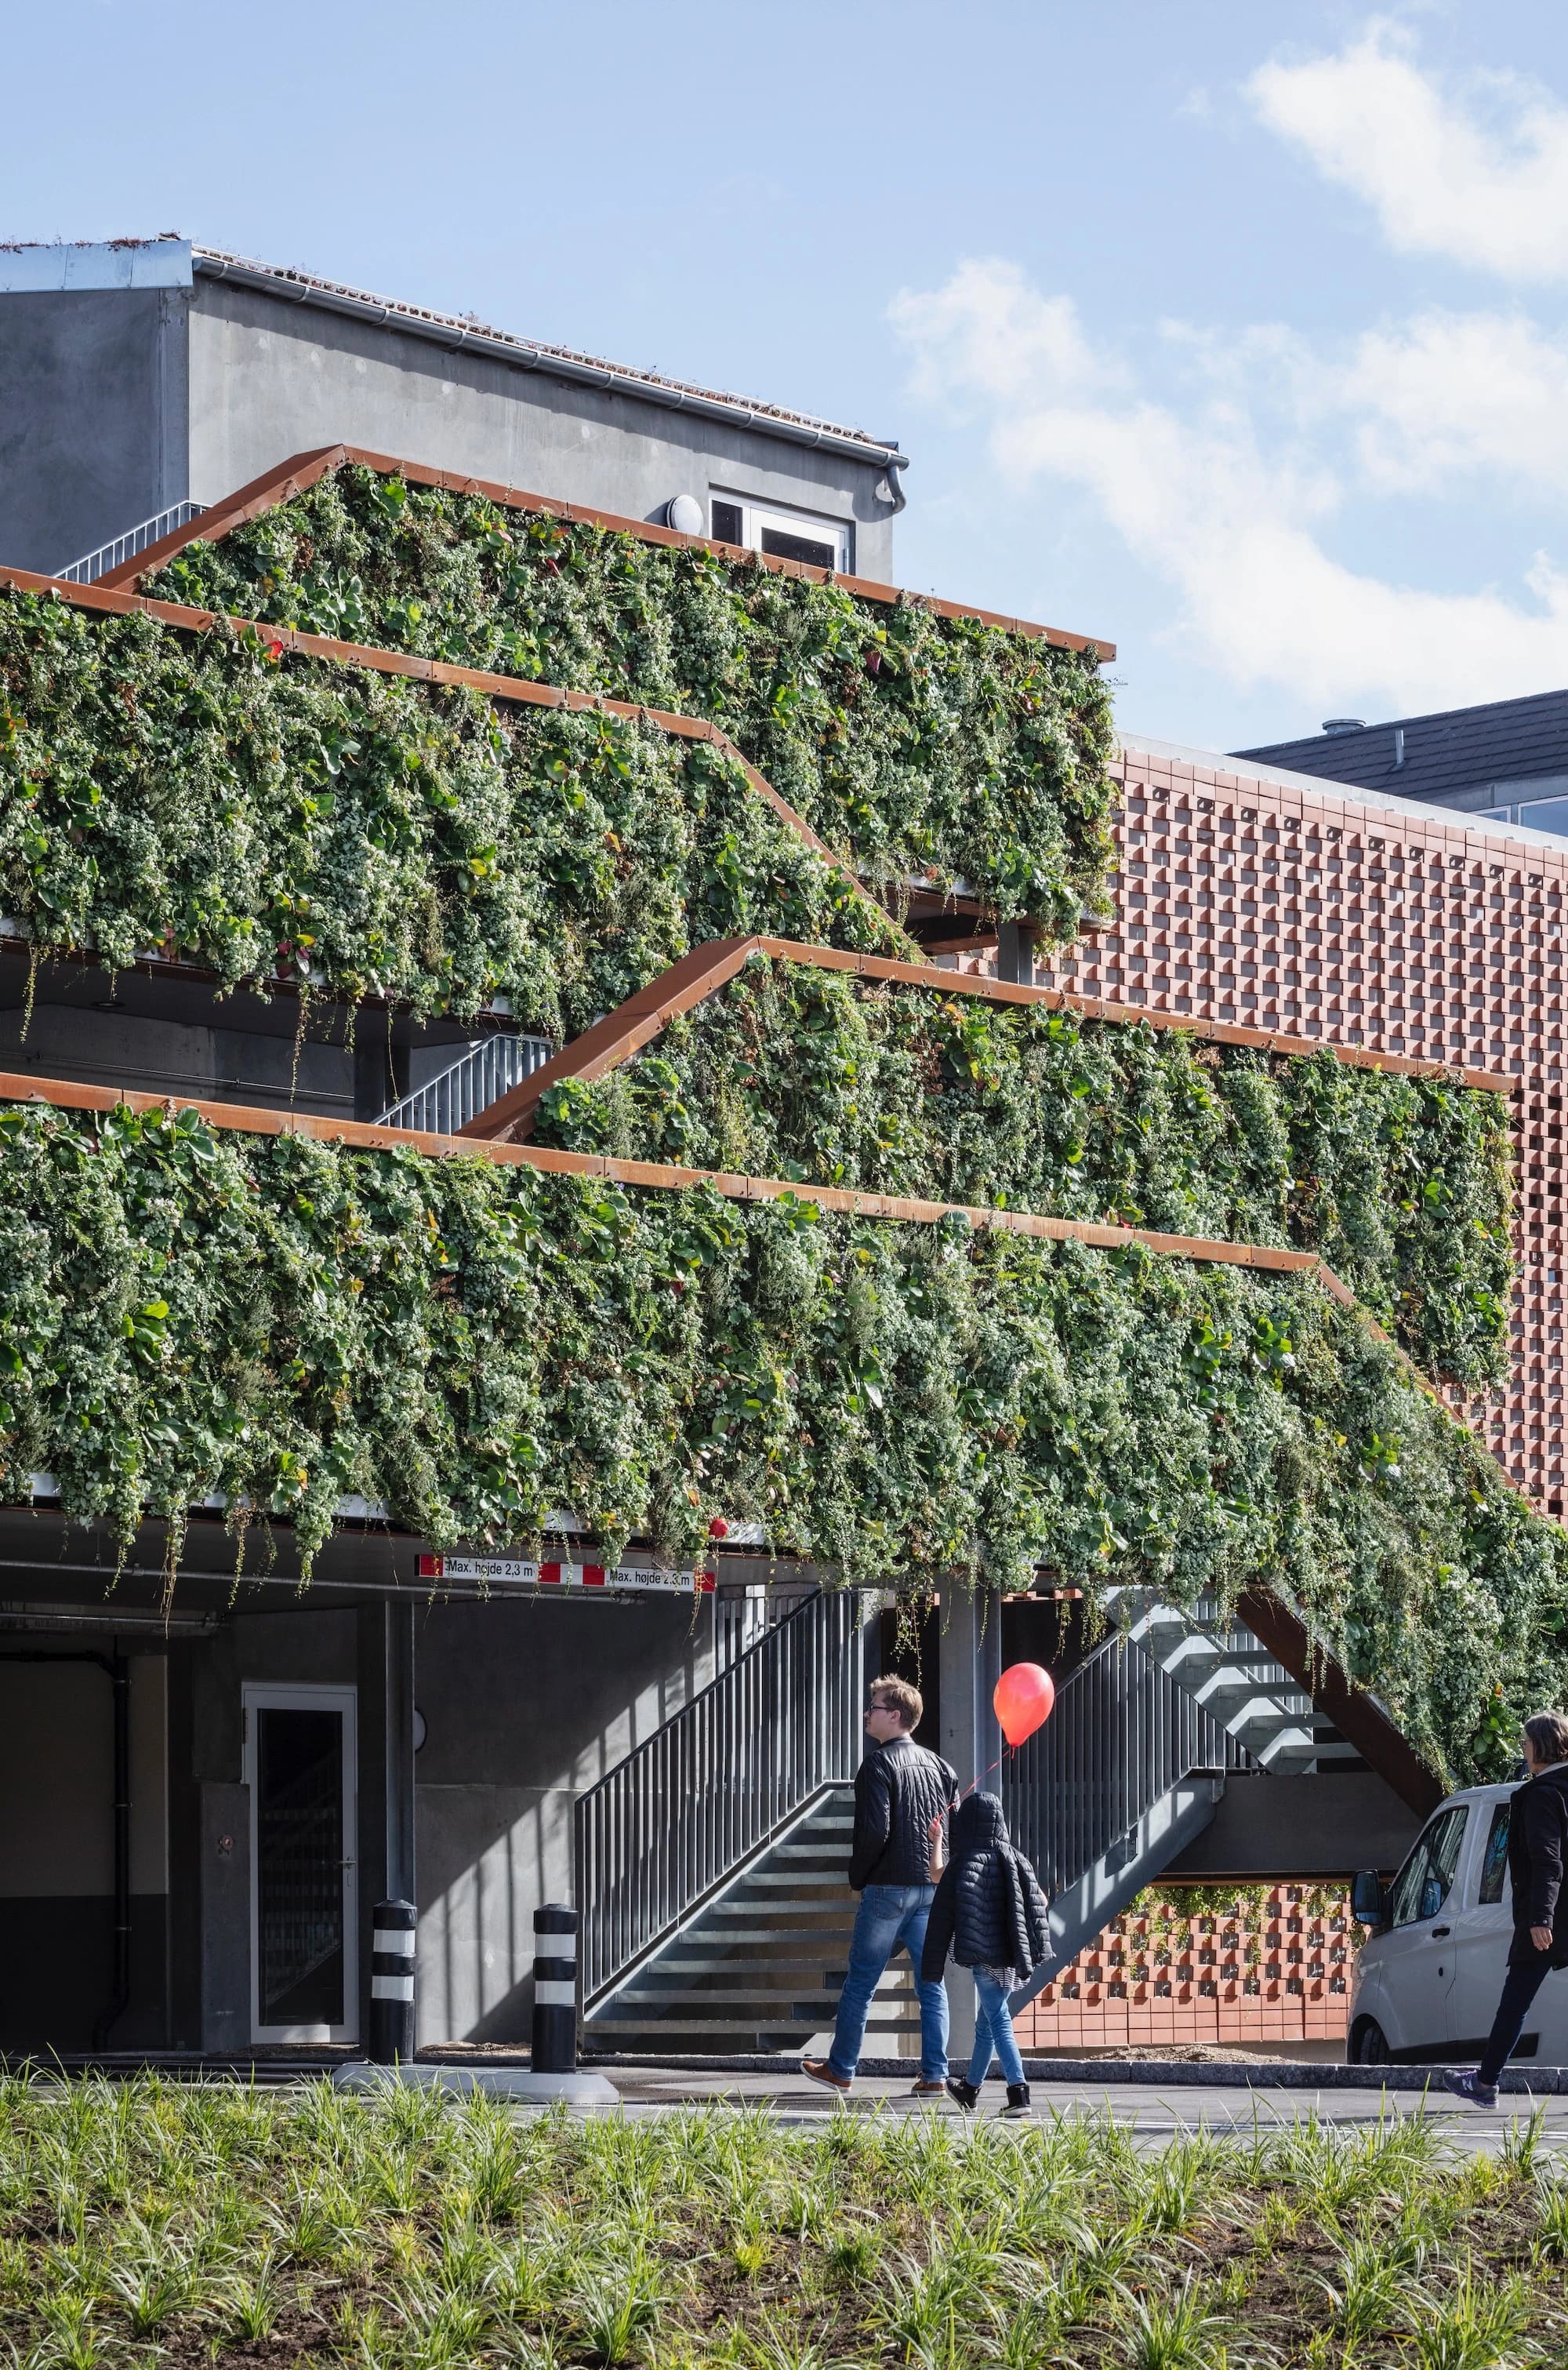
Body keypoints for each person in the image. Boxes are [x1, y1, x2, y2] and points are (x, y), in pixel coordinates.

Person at [802, 1674, 959, 2097]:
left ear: (894, 1715)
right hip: (932, 1887)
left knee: (862, 1981)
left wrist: (859, 1876)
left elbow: (875, 1830)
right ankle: (934, 2075)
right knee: (931, 1984)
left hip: (888, 1887)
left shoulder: (877, 1764)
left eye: (872, 1706)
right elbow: (952, 1827)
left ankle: (842, 2069)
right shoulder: (942, 1767)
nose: (866, 1713)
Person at [1444, 1710, 1568, 2110]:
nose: (1523, 1747)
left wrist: (1540, 1918)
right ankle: (1484, 2082)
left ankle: (1484, 2084)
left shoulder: (1543, 1795)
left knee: (1515, 2001)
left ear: (1541, 1746)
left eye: (1526, 1741)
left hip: (1550, 1918)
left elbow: (1548, 1862)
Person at [920, 1790, 1051, 2119]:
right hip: (1012, 1954)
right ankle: (969, 2089)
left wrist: (936, 1840)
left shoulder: (965, 1862)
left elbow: (937, 1876)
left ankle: (1018, 2091)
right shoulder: (1017, 1858)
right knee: (987, 2024)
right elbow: (1042, 1904)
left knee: (998, 2020)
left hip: (983, 1957)